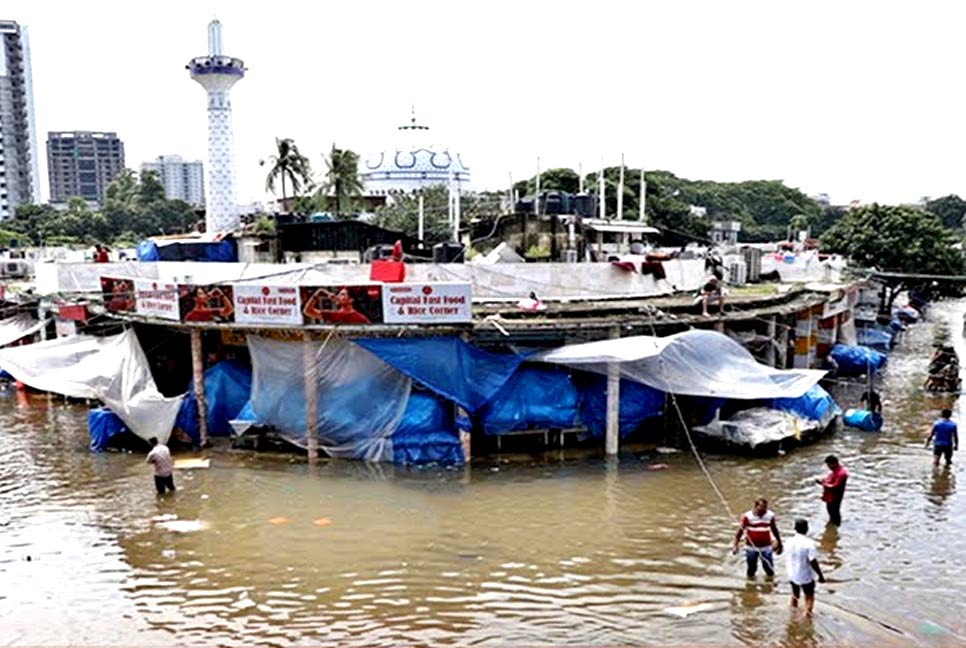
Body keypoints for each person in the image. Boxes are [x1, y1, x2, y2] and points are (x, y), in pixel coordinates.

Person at [732, 497, 783, 578]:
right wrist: (735, 545)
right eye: (762, 508)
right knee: (751, 570)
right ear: (756, 506)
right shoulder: (747, 516)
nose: (764, 510)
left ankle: (770, 586)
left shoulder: (770, 515)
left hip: (766, 547)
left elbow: (774, 530)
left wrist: (780, 543)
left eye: (765, 508)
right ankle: (749, 587)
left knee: (769, 569)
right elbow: (739, 532)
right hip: (751, 548)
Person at [785, 518, 825, 616]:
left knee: (795, 595)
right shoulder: (809, 543)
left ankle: (792, 613)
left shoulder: (788, 541)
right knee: (809, 596)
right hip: (805, 575)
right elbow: (813, 561)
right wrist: (820, 575)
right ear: (807, 529)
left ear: (795, 528)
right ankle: (807, 615)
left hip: (792, 574)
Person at [302, 287, 370, 324]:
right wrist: (318, 294)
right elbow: (307, 311)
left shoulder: (360, 318)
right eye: (339, 294)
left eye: (343, 294)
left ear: (351, 300)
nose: (339, 296)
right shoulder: (333, 314)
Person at [816, 455, 848, 526]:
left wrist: (822, 483)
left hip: (835, 497)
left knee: (835, 513)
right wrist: (823, 481)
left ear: (834, 463)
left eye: (829, 465)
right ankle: (832, 526)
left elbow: (835, 486)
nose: (828, 467)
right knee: (831, 512)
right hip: (830, 497)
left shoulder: (841, 474)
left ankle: (836, 527)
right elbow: (829, 480)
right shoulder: (834, 471)